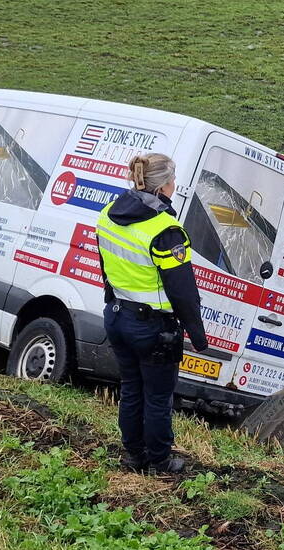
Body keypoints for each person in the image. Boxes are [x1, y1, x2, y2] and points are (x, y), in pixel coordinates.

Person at [97, 153, 208, 473]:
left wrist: (112, 299)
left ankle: (134, 455)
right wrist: (198, 337)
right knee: (158, 398)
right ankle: (159, 460)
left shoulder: (107, 214)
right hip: (153, 329)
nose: (176, 186)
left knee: (131, 389)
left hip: (117, 316)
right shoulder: (167, 231)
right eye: (174, 181)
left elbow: (106, 268)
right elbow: (183, 292)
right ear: (164, 187)